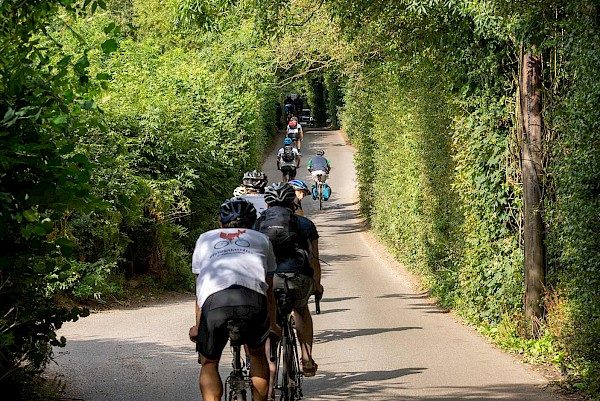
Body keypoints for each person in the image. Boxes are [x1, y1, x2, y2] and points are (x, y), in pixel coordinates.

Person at [189, 198, 277, 401]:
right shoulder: (262, 239)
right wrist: (272, 324)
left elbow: (201, 286)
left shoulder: (204, 239)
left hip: (215, 302)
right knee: (256, 354)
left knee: (209, 362)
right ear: (253, 222)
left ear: (221, 223)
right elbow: (269, 288)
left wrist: (198, 326)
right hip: (252, 300)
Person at [255, 183, 323, 391]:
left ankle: (270, 366)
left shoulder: (257, 224)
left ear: (267, 203)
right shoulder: (305, 224)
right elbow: (314, 259)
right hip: (297, 278)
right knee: (301, 309)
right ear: (292, 201)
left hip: (267, 280)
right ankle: (306, 357)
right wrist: (317, 286)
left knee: (269, 318)